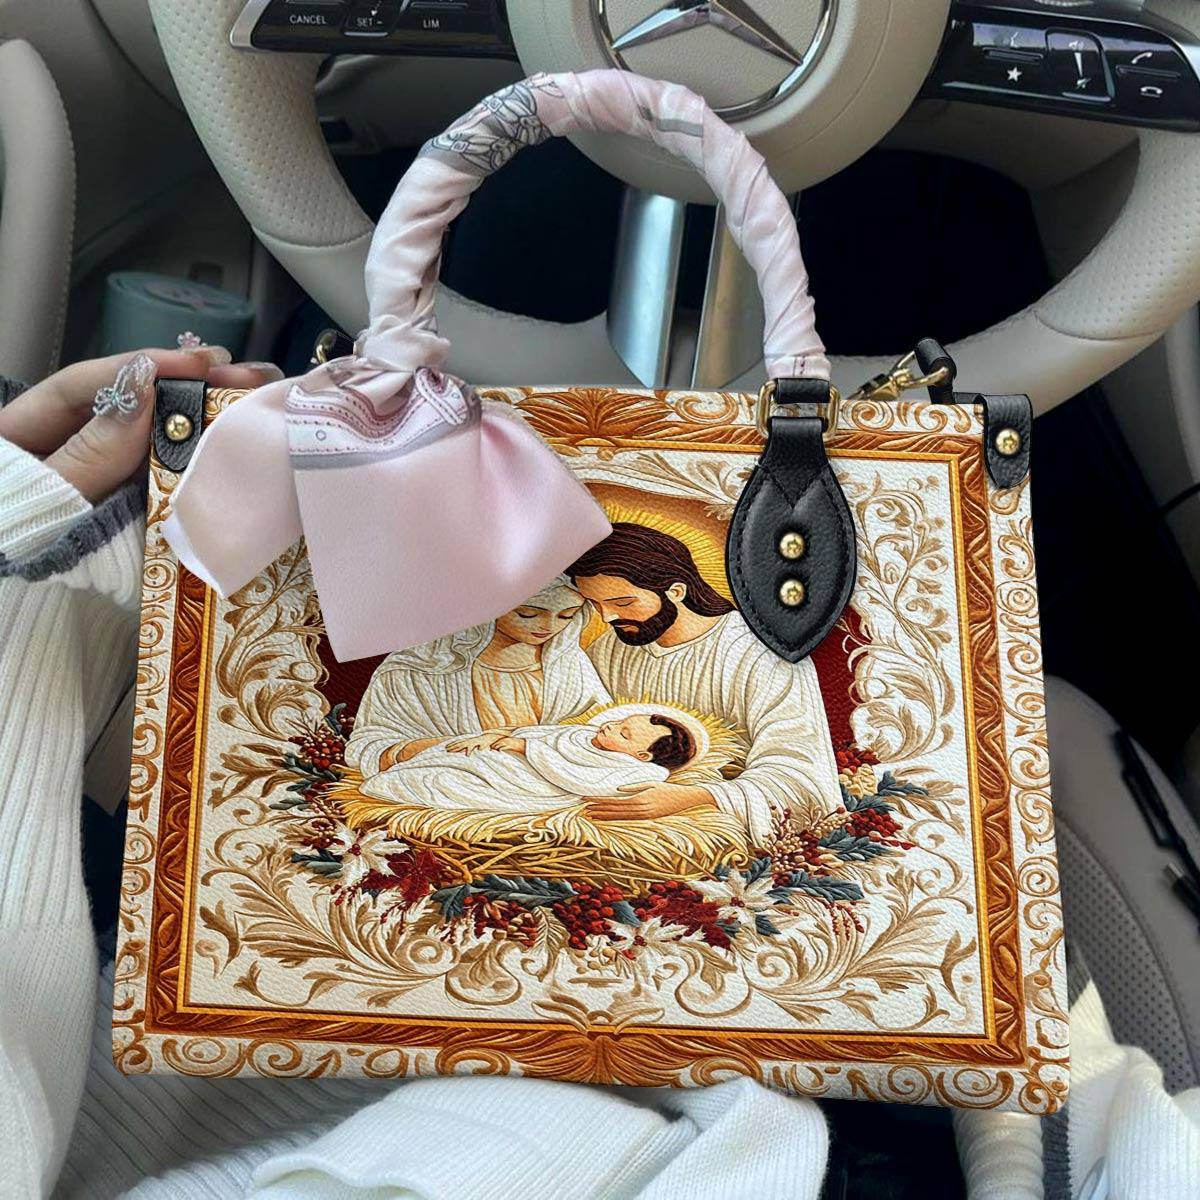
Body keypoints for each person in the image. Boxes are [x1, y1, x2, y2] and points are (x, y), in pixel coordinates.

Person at [4, 351, 1199, 1199]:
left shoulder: (737, 653)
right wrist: (509, 727)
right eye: (586, 606)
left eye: (613, 604)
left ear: (672, 584)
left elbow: (771, 769)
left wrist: (687, 790)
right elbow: (465, 738)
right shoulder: (520, 647)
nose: (596, 623)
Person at [568, 522, 842, 843]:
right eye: (595, 604)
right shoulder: (609, 650)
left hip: (720, 829)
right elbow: (576, 731)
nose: (607, 618)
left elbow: (801, 774)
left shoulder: (761, 651)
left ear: (676, 591)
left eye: (623, 603)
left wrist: (697, 797)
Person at [345, 577, 610, 778]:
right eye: (528, 613)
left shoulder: (569, 665)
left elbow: (602, 734)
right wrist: (446, 749)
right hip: (447, 785)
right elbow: (369, 746)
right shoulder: (417, 669)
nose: (549, 626)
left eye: (566, 616)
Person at [357, 708, 699, 815]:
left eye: (623, 733)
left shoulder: (634, 771)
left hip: (527, 786)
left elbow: (579, 780)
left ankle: (395, 782)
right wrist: (497, 737)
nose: (610, 726)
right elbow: (539, 733)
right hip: (504, 760)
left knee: (448, 783)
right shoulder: (582, 734)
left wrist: (526, 749)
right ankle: (404, 765)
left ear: (641, 755)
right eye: (619, 721)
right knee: (456, 752)